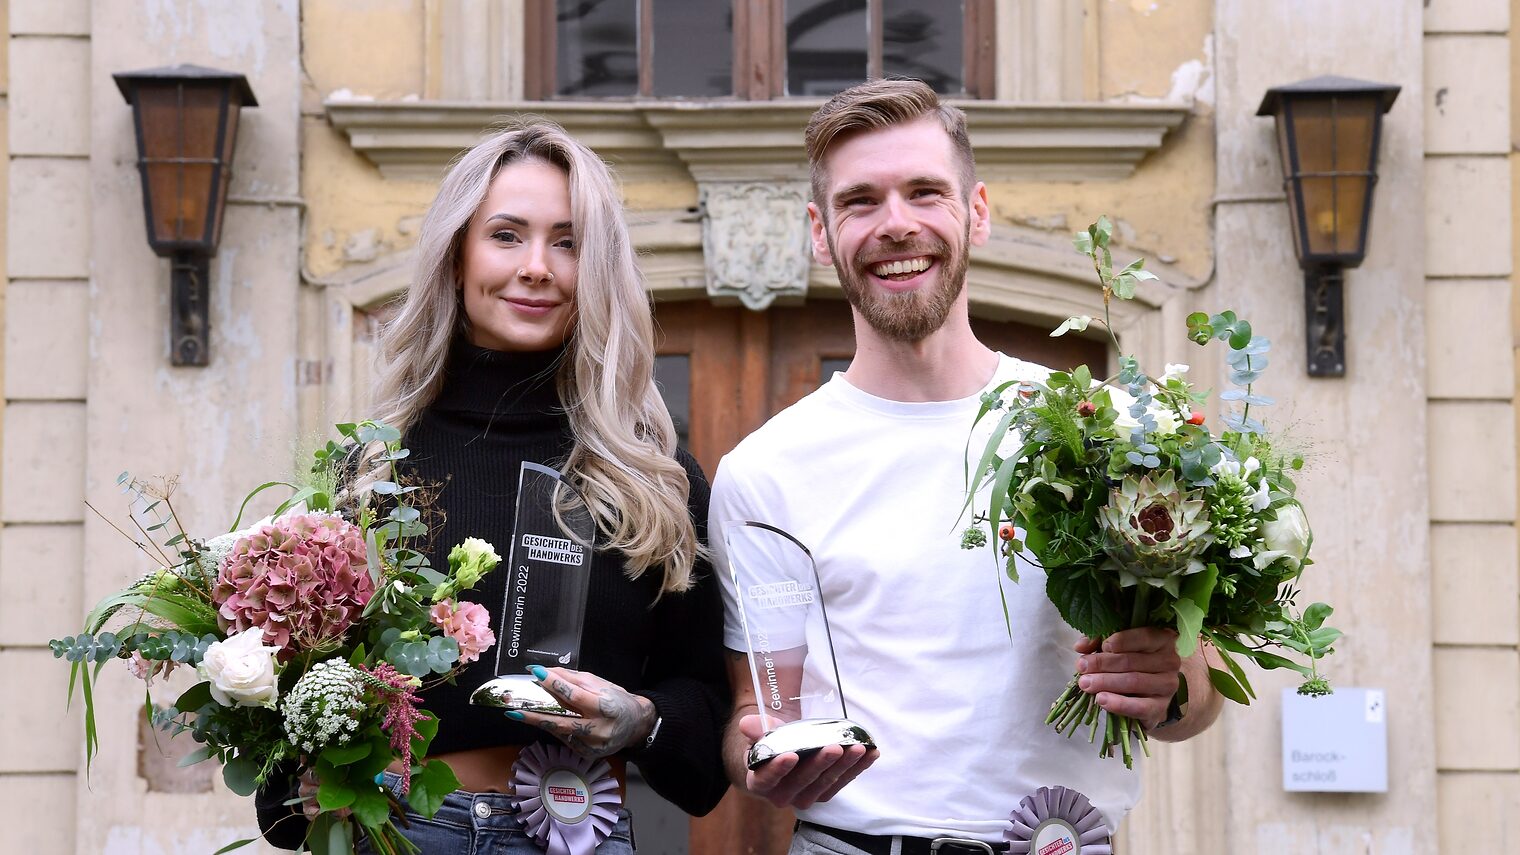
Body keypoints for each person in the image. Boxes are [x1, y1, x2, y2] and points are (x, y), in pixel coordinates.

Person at [709, 79, 1225, 854]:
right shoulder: (765, 473)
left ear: (976, 211)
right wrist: (761, 761)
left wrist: (1168, 686)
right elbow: (755, 709)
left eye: (925, 192)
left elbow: (1200, 691)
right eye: (860, 202)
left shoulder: (1105, 433)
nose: (897, 224)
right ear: (820, 232)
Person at [256, 119, 730, 852]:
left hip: (578, 830)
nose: (538, 266)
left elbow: (703, 752)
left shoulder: (651, 480)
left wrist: (639, 718)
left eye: (569, 242)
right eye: (507, 235)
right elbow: (280, 787)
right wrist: (309, 778)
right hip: (402, 834)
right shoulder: (368, 472)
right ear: (455, 256)